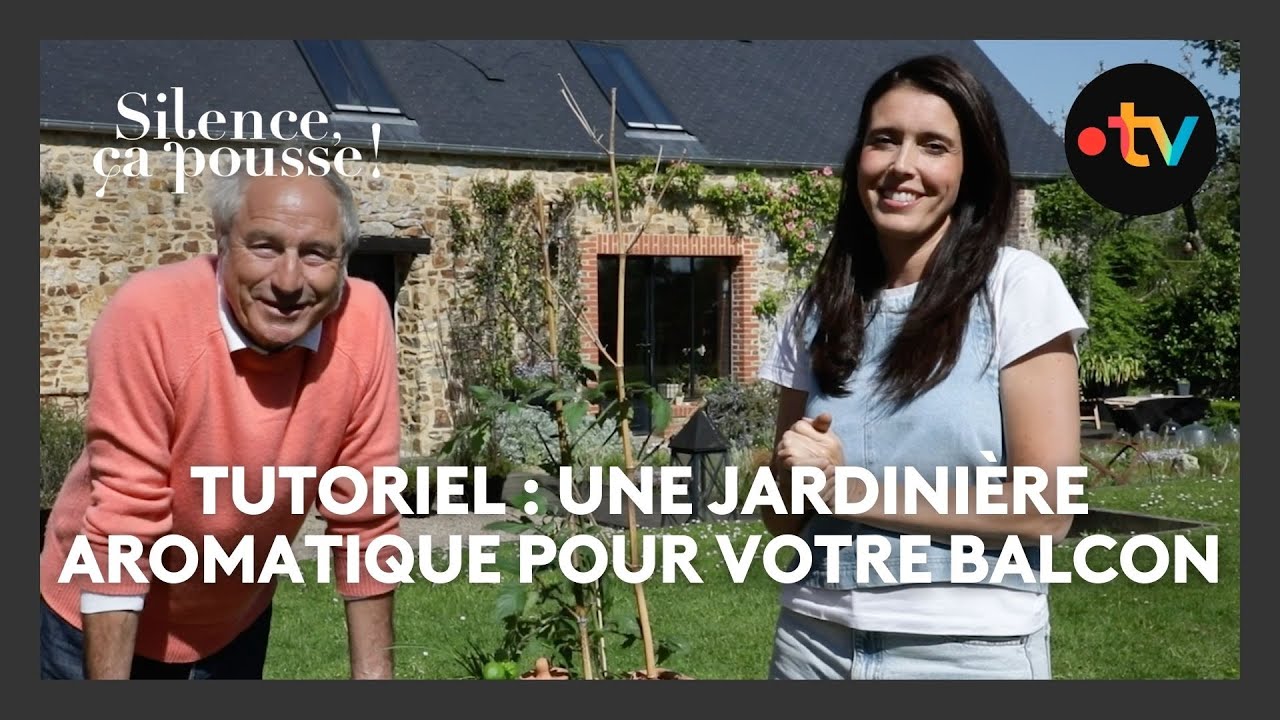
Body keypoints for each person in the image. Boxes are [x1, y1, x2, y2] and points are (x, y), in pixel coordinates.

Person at [758, 54, 1088, 680]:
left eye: (933, 146)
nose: (902, 165)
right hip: (812, 643)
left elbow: (1047, 508)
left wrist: (852, 490)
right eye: (884, 140)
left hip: (963, 652)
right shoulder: (818, 308)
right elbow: (784, 521)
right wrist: (789, 474)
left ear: (970, 170)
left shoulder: (1016, 289)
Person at [38, 159, 403, 679]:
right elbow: (123, 525)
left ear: (343, 261)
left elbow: (366, 516)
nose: (288, 281)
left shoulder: (363, 321)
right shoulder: (150, 315)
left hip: (232, 624)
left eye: (316, 253)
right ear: (222, 239)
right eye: (265, 246)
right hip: (90, 621)